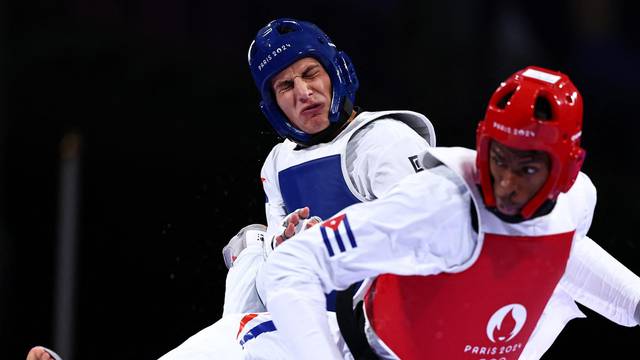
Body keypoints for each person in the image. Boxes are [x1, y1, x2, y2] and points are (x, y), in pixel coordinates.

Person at [253, 66, 640, 359]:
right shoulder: (436, 205)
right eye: (499, 159)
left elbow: (575, 262)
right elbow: (293, 264)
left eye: (527, 169)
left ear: (565, 172)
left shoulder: (574, 204)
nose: (505, 184)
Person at [222, 17, 435, 315]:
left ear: (337, 73)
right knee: (250, 245)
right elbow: (279, 269)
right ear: (274, 105)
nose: (303, 92)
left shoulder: (385, 141)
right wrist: (280, 243)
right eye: (285, 86)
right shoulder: (278, 163)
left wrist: (334, 242)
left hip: (391, 324)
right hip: (315, 326)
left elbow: (430, 243)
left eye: (311, 73)